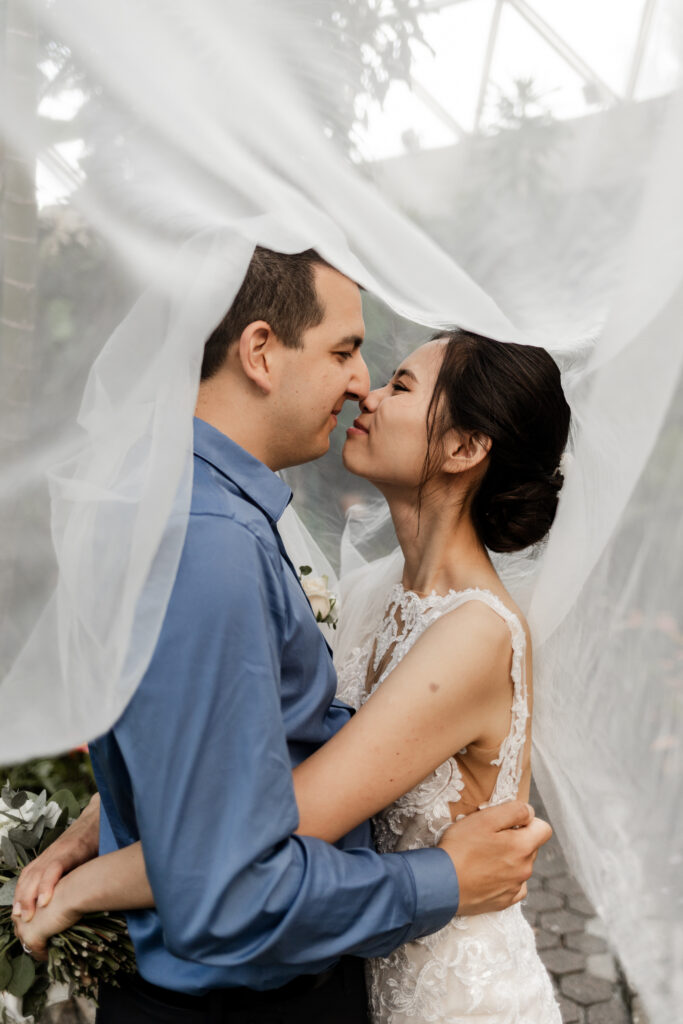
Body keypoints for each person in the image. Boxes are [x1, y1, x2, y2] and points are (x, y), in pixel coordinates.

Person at [13, 250, 552, 1023]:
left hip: (442, 979)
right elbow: (235, 805)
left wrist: (87, 876)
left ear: (465, 450)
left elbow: (256, 802)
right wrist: (83, 847)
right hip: (337, 952)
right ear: (260, 351)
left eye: (397, 382)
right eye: (347, 353)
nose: (363, 384)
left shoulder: (471, 631)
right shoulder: (335, 579)